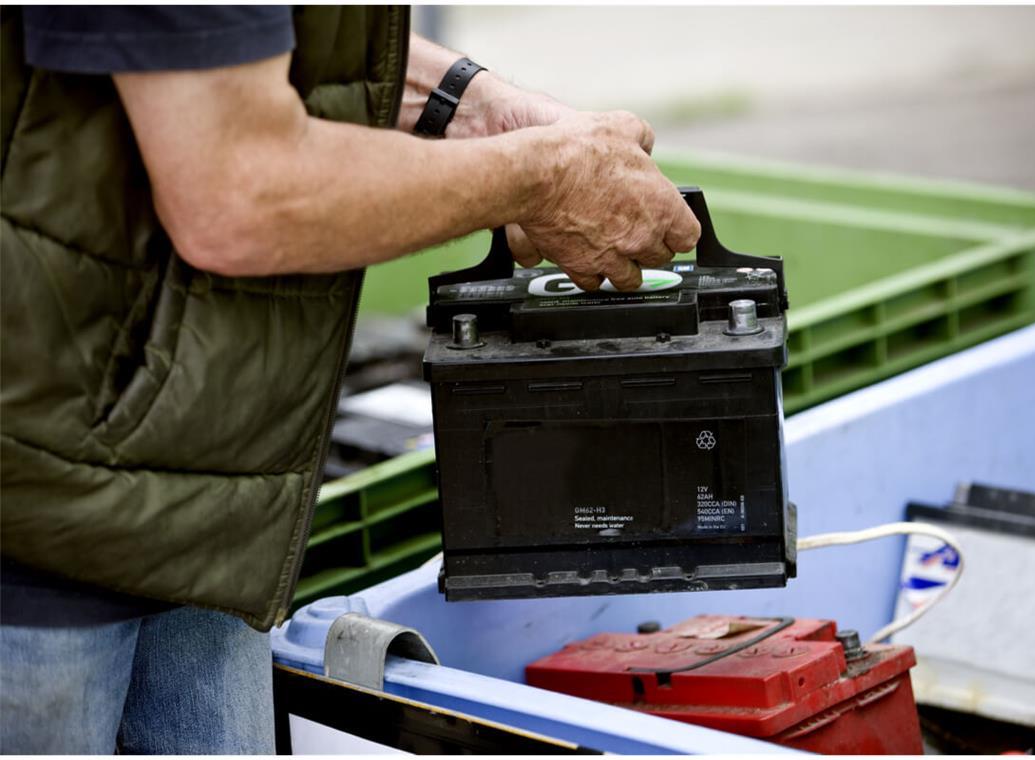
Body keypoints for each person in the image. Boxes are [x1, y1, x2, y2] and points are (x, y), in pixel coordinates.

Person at [0, 5, 699, 754]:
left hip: (211, 498)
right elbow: (239, 192)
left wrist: (464, 103)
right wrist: (542, 176)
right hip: (41, 524)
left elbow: (238, 41)